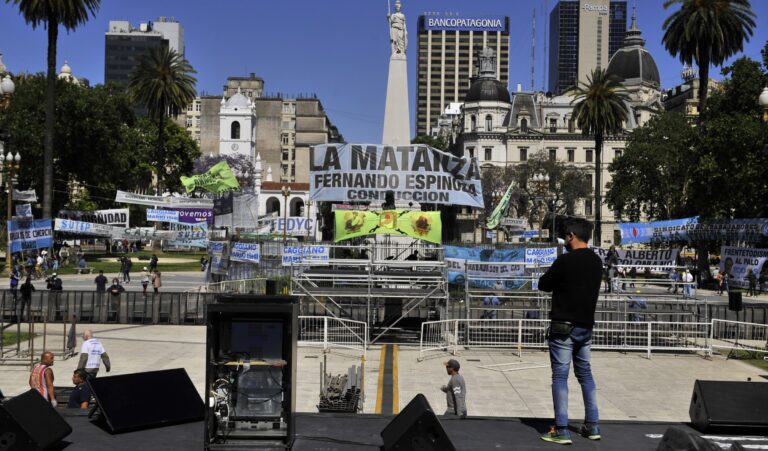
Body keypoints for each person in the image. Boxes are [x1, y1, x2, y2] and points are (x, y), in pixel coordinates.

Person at [538, 218, 602, 444]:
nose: (565, 240)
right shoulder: (597, 262)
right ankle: (592, 426)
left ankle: (561, 429)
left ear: (571, 236)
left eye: (565, 236)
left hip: (563, 327)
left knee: (560, 377)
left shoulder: (564, 261)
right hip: (586, 327)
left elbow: (543, 284)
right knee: (585, 375)